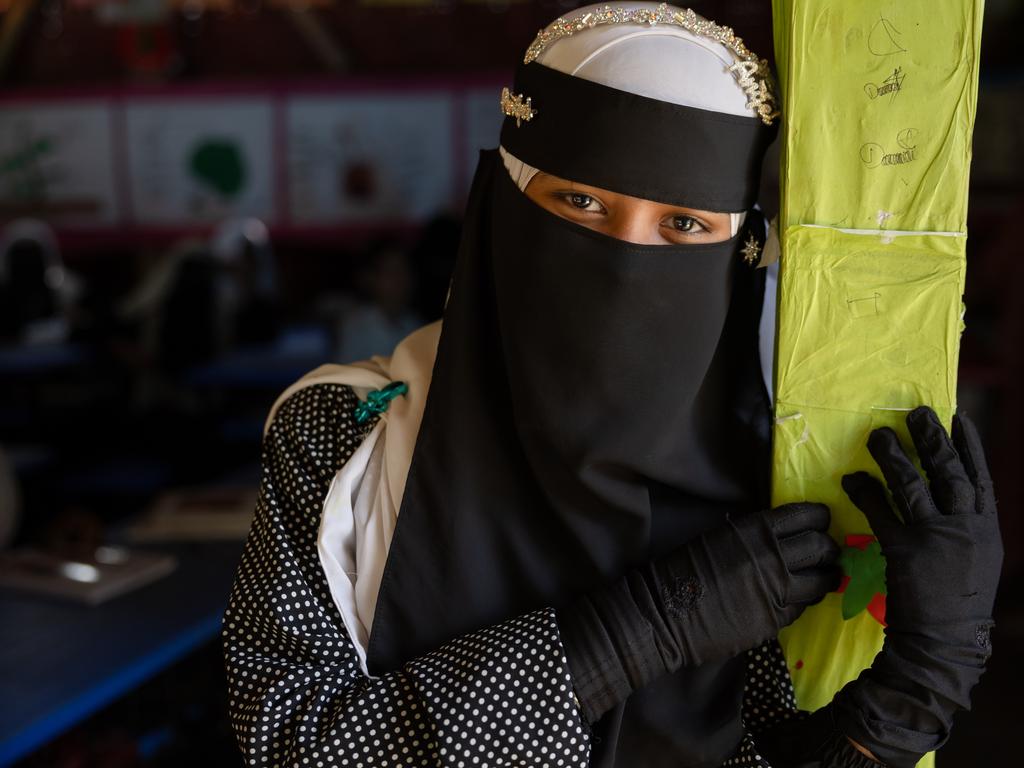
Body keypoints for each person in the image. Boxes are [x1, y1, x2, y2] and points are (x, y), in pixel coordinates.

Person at [221, 4, 1001, 767]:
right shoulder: (349, 431)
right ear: (505, 207)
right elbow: (291, 737)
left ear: (738, 250)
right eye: (582, 202)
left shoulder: (776, 459)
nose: (628, 259)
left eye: (685, 225)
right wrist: (639, 633)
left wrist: (917, 688)